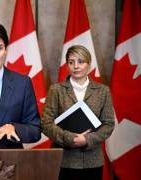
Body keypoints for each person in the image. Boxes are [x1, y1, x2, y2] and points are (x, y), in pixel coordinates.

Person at [41, 45, 115, 180]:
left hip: (93, 161)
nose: (76, 66)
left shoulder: (102, 91)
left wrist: (87, 139)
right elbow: (46, 123)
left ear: (89, 64)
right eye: (71, 62)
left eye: (80, 61)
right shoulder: (56, 90)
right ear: (67, 64)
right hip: (63, 161)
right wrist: (69, 138)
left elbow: (109, 124)